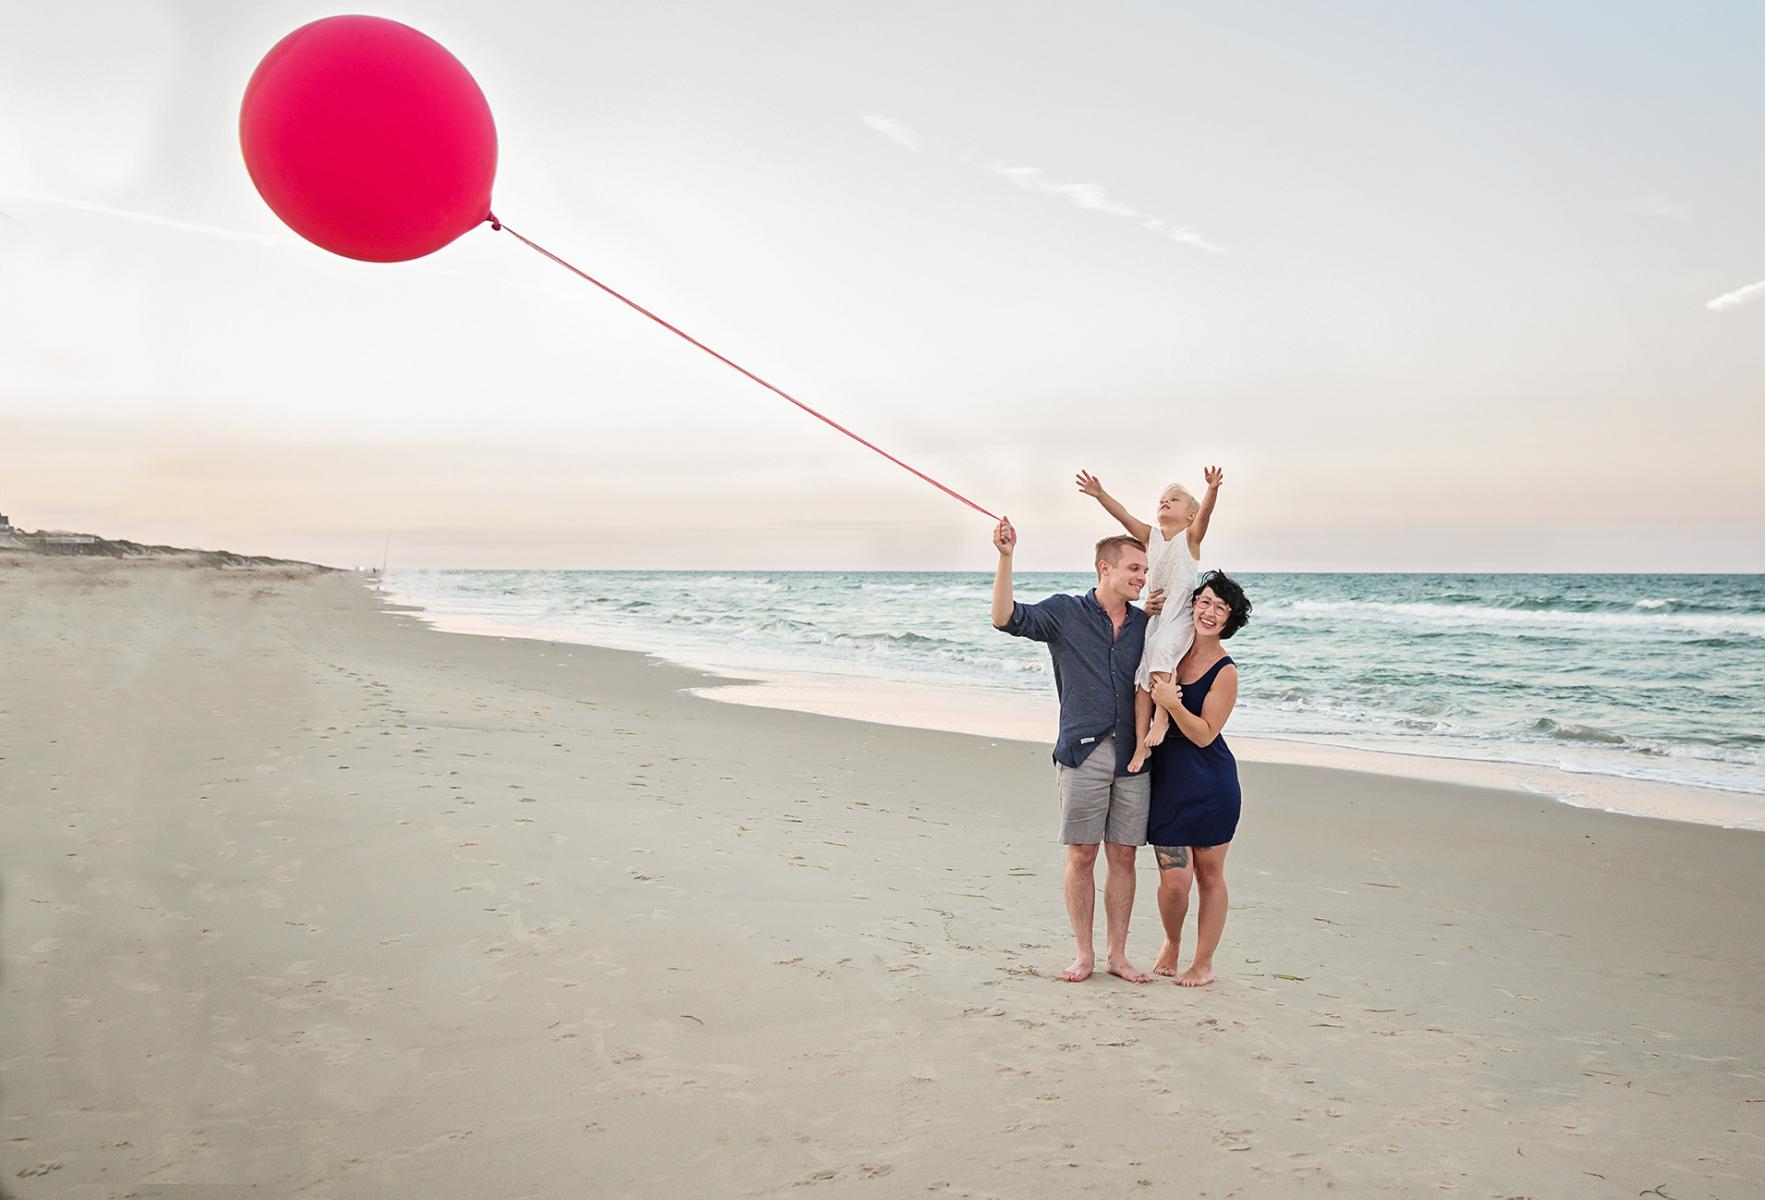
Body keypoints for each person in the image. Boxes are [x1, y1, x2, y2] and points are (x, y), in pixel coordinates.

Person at [990, 515, 1164, 984]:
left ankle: (1118, 956)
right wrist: (1006, 558)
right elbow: (1006, 618)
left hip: (1134, 756)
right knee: (1083, 854)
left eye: (1145, 571)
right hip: (1082, 751)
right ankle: (1084, 955)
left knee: (1124, 856)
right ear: (1104, 568)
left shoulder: (1146, 625)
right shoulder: (1065, 612)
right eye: (1134, 568)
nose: (1141, 577)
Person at [1075, 467, 1224, 775]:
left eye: (1174, 499)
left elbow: (1207, 515)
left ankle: (1164, 717)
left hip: (1180, 614)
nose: (1164, 502)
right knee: (1142, 679)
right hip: (1157, 615)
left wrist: (1211, 489)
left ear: (1190, 516)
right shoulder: (1150, 537)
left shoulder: (1190, 539)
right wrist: (1100, 494)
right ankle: (1142, 743)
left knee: (1161, 652)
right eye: (1162, 499)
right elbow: (1123, 516)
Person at [1144, 571, 1252, 987]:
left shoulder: (1225, 670)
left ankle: (1203, 962)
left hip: (1210, 784)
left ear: (1230, 619)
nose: (1209, 612)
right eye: (1204, 602)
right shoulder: (1170, 648)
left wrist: (1171, 704)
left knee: (1209, 876)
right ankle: (1172, 941)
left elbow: (1206, 734)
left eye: (1220, 607)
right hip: (1168, 781)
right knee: (1174, 881)